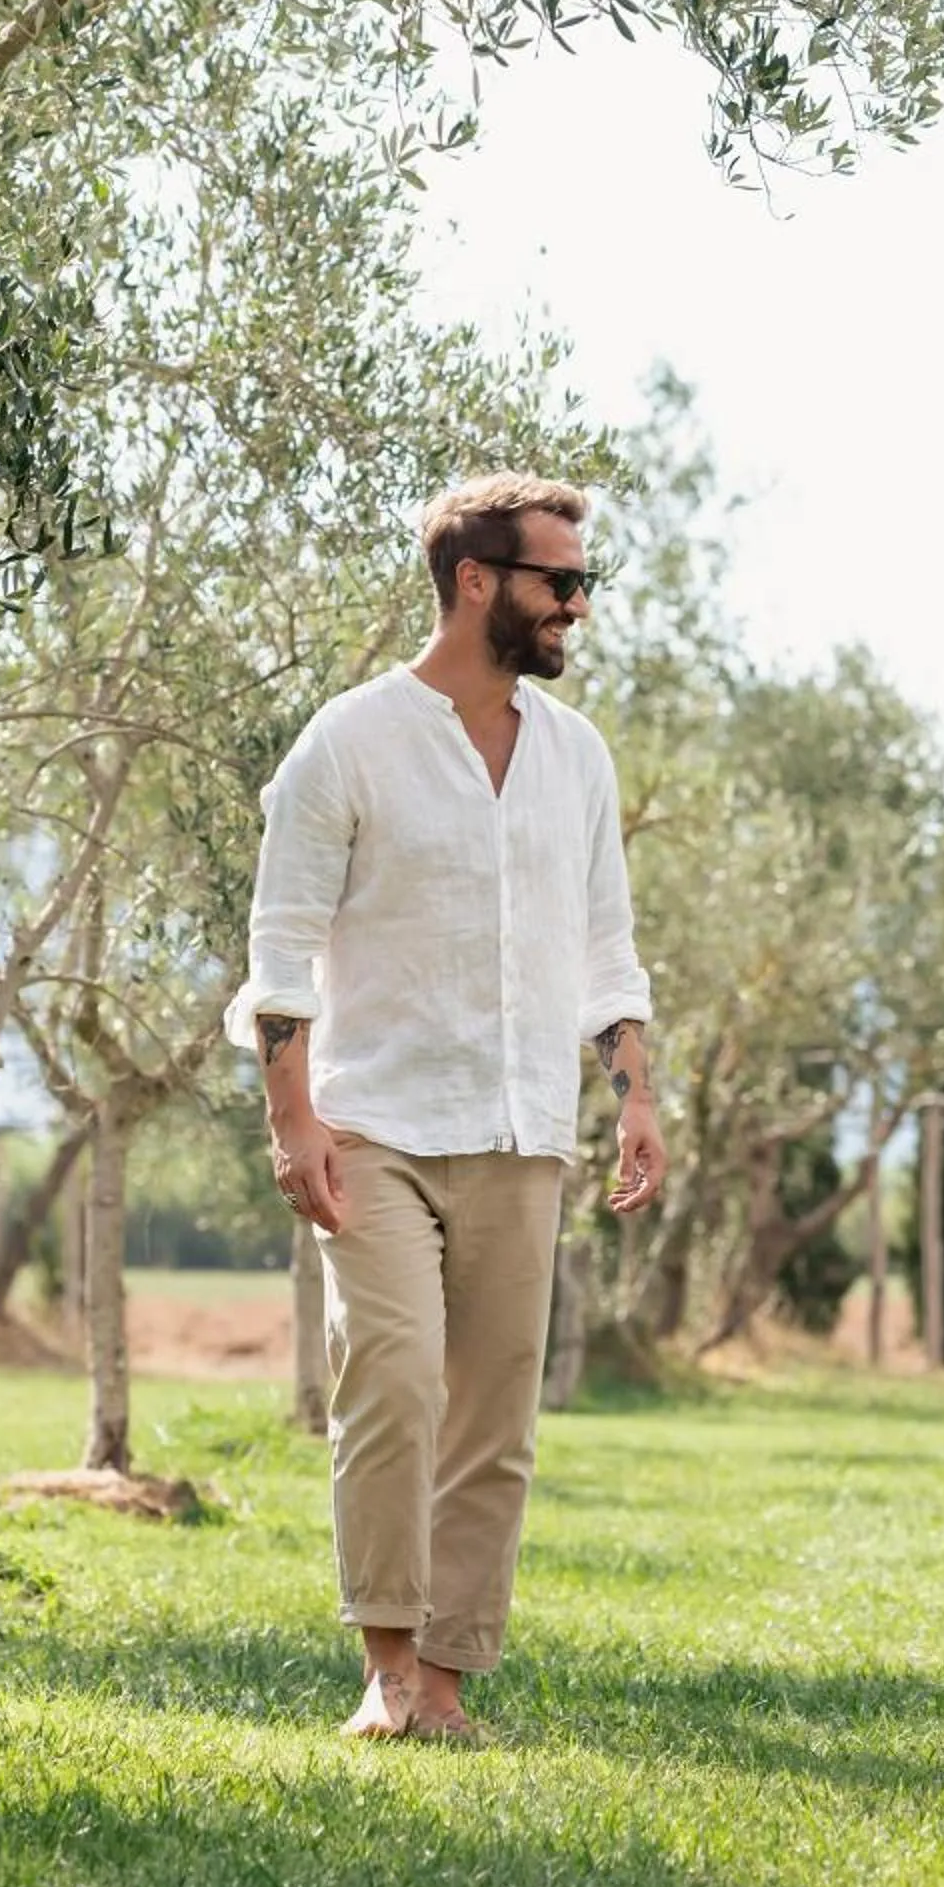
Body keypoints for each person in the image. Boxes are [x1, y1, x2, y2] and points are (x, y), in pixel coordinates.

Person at [226, 472, 666, 1746]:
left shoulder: (575, 757)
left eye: (584, 583)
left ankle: (453, 1684)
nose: (578, 607)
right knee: (396, 1382)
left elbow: (607, 951)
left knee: (493, 1420)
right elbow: (282, 947)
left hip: (526, 1130)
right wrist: (291, 1119)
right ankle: (386, 1667)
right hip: (372, 1125)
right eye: (560, 584)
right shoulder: (349, 741)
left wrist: (635, 1096)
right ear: (478, 583)